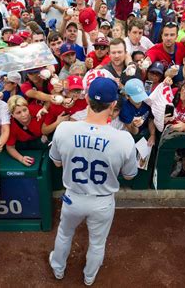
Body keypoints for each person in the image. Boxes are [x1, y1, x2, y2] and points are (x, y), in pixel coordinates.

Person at [48, 77, 137, 286]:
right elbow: (130, 176)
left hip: (73, 196)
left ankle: (58, 269)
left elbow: (57, 163)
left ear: (87, 99)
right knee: (97, 243)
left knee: (64, 234)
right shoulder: (123, 139)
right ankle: (89, 277)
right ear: (113, 104)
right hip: (102, 201)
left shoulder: (64, 129)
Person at [5, 95, 42, 166]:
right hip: (24, 145)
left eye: (25, 110)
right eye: (18, 113)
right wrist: (21, 158)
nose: (23, 114)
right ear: (12, 115)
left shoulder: (37, 111)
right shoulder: (11, 125)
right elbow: (10, 147)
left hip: (41, 142)